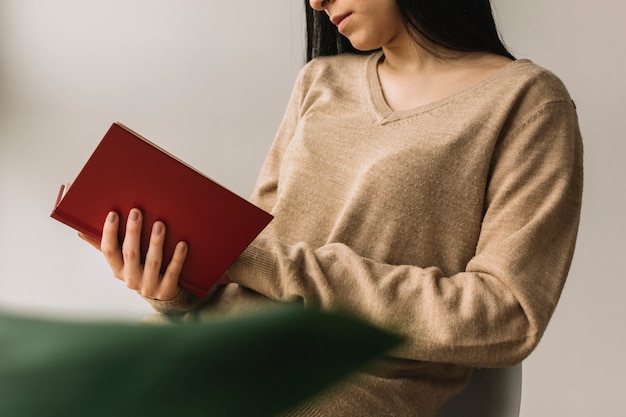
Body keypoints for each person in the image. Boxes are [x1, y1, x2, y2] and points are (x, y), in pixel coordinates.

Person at [80, 0, 584, 415]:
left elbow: (506, 315)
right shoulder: (319, 80)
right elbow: (255, 260)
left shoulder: (527, 101)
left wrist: (258, 260)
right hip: (210, 343)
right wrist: (174, 285)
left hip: (337, 381)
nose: (317, 2)